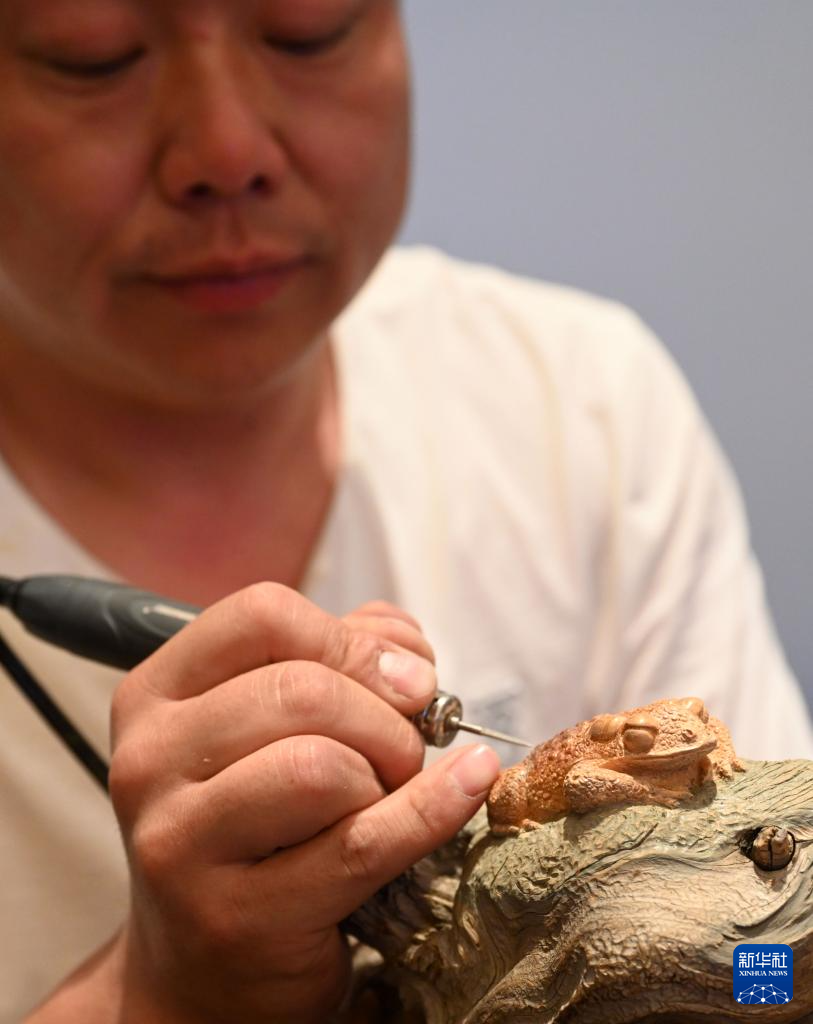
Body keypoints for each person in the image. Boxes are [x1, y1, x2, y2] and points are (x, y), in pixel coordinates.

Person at [0, 2, 809, 1021]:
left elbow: (773, 958)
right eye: (92, 57)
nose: (227, 152)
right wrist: (161, 994)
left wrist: (746, 973)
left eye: (308, 29)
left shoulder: (579, 405)